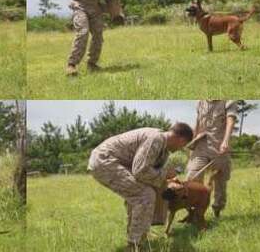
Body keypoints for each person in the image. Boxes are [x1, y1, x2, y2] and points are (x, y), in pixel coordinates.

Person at [87, 123, 193, 251]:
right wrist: (165, 174)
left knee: (141, 194)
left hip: (111, 161)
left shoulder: (163, 149)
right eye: (183, 145)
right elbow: (140, 171)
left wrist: (168, 178)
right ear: (181, 140)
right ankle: (134, 245)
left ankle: (138, 237)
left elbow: (151, 171)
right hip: (104, 161)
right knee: (144, 195)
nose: (181, 148)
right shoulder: (156, 139)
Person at [186, 100, 237, 218]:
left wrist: (226, 141)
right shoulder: (200, 102)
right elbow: (198, 123)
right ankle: (193, 212)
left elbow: (231, 120)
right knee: (192, 176)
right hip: (201, 145)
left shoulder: (229, 101)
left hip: (219, 147)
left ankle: (217, 210)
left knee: (220, 182)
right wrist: (192, 145)